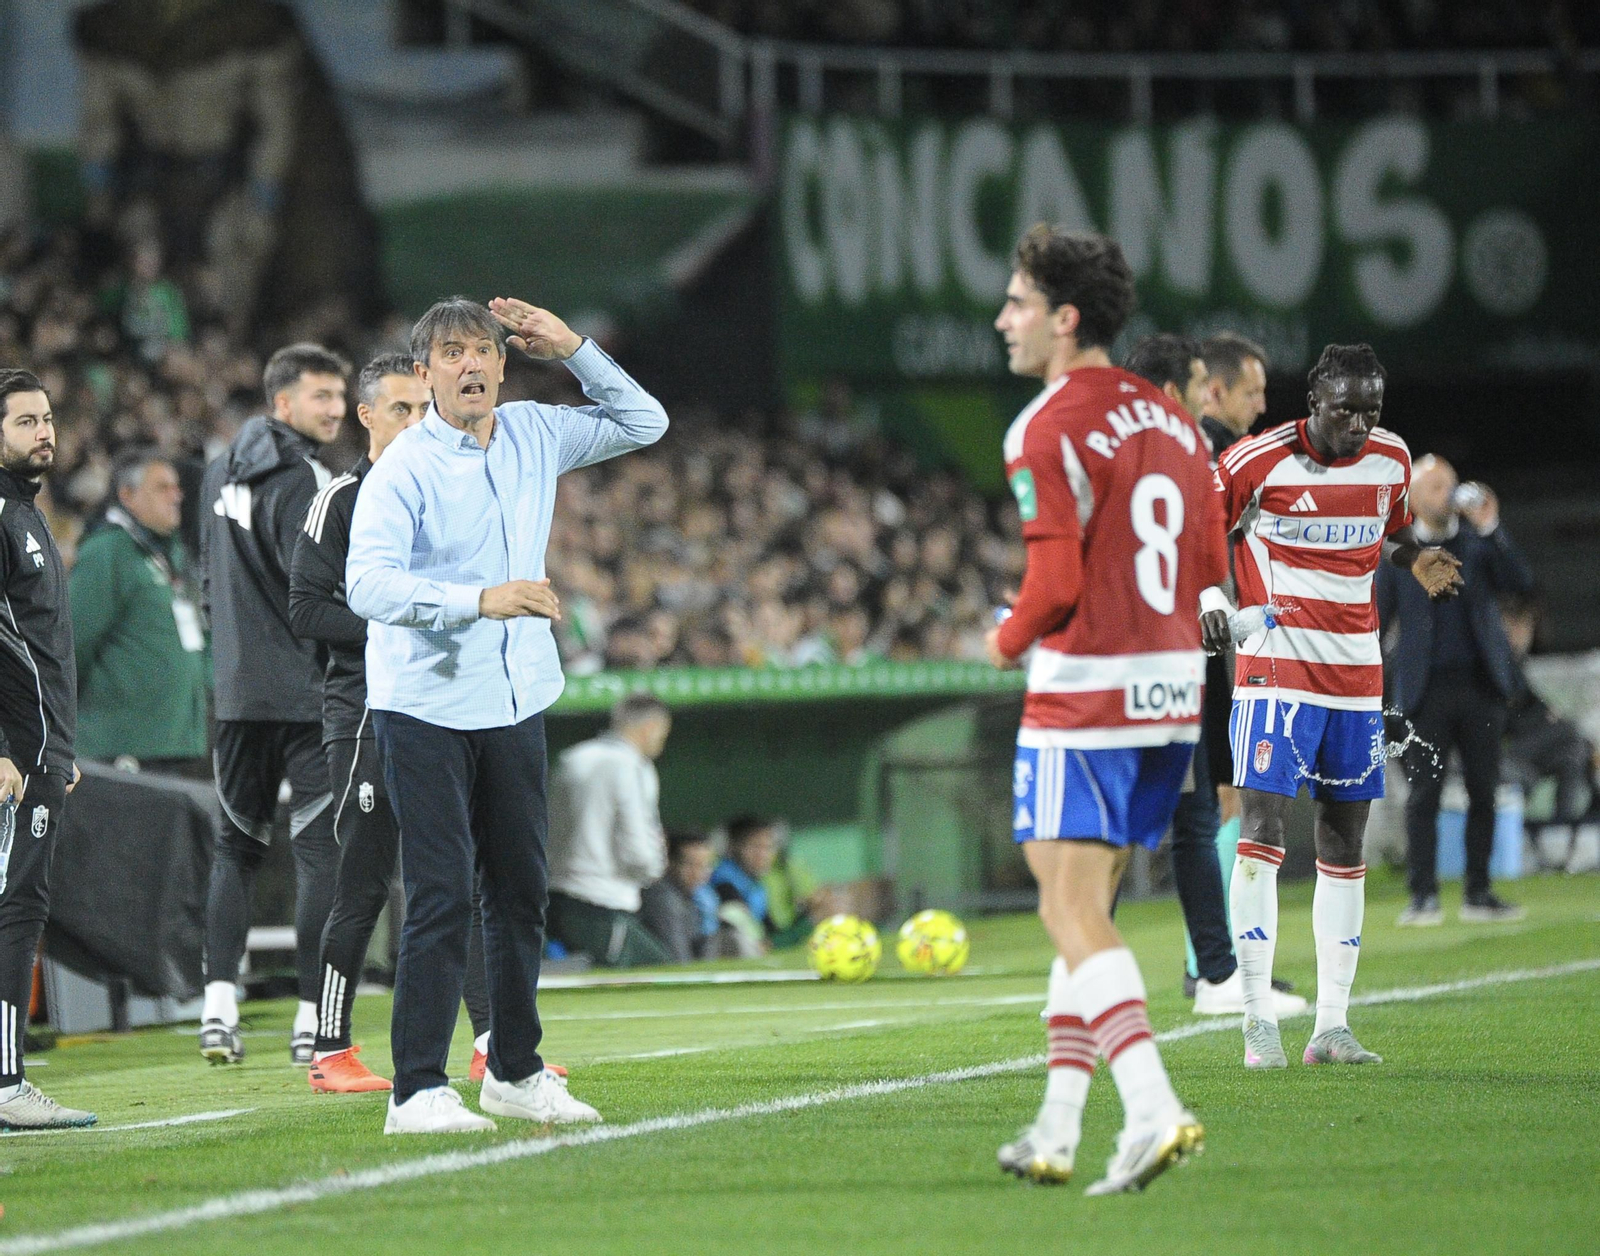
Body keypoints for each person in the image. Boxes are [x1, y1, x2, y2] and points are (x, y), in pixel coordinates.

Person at [346, 296, 666, 1134]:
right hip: (423, 706)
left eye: (482, 348)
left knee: (522, 891)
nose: (470, 364)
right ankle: (416, 1089)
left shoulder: (532, 431)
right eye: (450, 353)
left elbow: (645, 420)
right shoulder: (402, 469)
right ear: (425, 374)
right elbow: (367, 586)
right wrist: (477, 600)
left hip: (517, 697)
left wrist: (575, 346)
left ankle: (515, 1072)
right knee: (444, 891)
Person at [986, 226, 1223, 1195]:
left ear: (1063, 316)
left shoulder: (1043, 424)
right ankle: (1054, 1126)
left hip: (1087, 689)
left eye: (1017, 302)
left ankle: (1153, 1104)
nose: (1004, 319)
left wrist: (998, 642)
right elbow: (1208, 566)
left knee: (1067, 904)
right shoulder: (1172, 422)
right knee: (1083, 911)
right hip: (1172, 694)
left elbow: (1051, 582)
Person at [1200, 343, 1463, 1072]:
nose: (1357, 423)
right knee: (1261, 825)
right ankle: (1257, 1020)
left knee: (1343, 841)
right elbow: (1201, 529)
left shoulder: (1391, 459)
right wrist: (1214, 597)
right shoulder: (1259, 460)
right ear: (1313, 398)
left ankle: (1332, 1027)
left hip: (1355, 673)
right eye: (1344, 407)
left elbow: (1390, 529)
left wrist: (1414, 559)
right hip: (1276, 667)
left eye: (1369, 410)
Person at [288, 352, 499, 1093]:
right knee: (366, 881)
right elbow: (307, 609)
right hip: (367, 713)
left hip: (442, 707)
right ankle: (331, 1047)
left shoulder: (446, 489)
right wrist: (403, 619)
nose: (418, 421)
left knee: (463, 875)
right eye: (402, 409)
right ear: (367, 416)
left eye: (424, 408)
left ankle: (492, 1045)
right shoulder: (340, 502)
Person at [1121, 335, 1305, 1021]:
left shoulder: (1151, 451)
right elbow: (1198, 581)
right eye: (1201, 383)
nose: (1215, 397)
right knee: (1172, 822)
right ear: (1177, 389)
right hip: (1154, 656)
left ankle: (1210, 973)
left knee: (1177, 818)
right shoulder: (1183, 453)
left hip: (1160, 654)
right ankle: (1209, 975)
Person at [197, 342, 347, 1067]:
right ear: (282, 402)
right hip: (305, 691)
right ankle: (311, 1020)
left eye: (339, 395)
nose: (336, 409)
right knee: (320, 853)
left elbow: (205, 581)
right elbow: (311, 590)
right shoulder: (308, 477)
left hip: (234, 694)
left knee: (236, 847)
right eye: (321, 396)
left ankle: (217, 1010)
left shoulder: (216, 469)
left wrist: (227, 664)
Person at [1377, 456, 1534, 925]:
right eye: (1435, 487)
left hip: (1479, 685)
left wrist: (1492, 529)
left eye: (1450, 484)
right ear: (1415, 498)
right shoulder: (1400, 552)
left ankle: (1478, 893)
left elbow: (1521, 585)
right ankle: (1422, 895)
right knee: (1424, 794)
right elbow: (1379, 622)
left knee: (1484, 790)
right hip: (1425, 692)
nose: (1446, 494)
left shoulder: (1476, 543)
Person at [0, 369, 93, 1130]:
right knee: (14, 906)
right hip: (12, 759)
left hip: (40, 753)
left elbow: (41, 651)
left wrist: (60, 746)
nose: (43, 431)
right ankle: (4, 1080)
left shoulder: (28, 517)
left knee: (19, 904)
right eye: (26, 420)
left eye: (47, 417)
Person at [69, 449, 209, 776]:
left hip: (178, 741)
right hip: (122, 746)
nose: (177, 495)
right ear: (127, 495)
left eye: (176, 486)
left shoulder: (170, 552)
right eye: (162, 487)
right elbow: (74, 643)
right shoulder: (106, 551)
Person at [546, 694, 674, 968]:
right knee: (661, 975)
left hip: (556, 897)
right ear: (650, 726)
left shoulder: (572, 758)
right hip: (603, 903)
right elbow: (636, 846)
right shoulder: (632, 766)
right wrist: (654, 868)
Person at [640, 831, 719, 962]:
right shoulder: (663, 898)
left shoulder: (695, 897)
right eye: (691, 864)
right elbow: (679, 959)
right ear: (670, 863)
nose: (697, 873)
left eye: (704, 866)